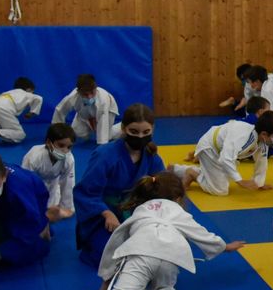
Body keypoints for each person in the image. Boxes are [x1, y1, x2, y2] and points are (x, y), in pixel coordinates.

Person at [93, 172, 245, 290]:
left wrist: (106, 279)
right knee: (165, 286)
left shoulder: (140, 211)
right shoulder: (177, 210)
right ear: (178, 198)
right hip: (171, 255)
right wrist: (223, 246)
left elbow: (116, 242)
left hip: (141, 251)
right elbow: (200, 233)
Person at [73, 104, 165, 270]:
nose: (140, 137)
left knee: (158, 248)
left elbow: (162, 188)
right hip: (103, 213)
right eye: (134, 132)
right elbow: (86, 192)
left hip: (135, 210)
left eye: (146, 132)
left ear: (153, 129)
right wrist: (107, 213)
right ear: (123, 128)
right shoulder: (105, 154)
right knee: (108, 256)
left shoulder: (152, 156)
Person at [173, 110, 273, 197]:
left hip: (222, 151)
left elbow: (262, 161)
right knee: (220, 190)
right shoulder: (245, 138)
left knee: (223, 176)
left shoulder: (262, 141)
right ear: (264, 134)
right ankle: (191, 173)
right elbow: (225, 159)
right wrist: (239, 180)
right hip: (210, 148)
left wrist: (258, 183)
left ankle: (178, 169)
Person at [21, 123, 76, 225]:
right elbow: (24, 182)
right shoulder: (34, 156)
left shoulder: (69, 159)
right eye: (61, 145)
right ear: (48, 142)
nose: (65, 150)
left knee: (52, 208)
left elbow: (67, 182)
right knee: (28, 211)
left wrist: (67, 208)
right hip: (33, 185)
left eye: (69, 147)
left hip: (53, 184)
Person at [48, 73, 120, 145]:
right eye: (85, 94)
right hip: (85, 113)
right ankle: (89, 129)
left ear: (95, 88)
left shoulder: (103, 99)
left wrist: (102, 144)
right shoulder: (73, 97)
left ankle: (121, 127)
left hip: (108, 111)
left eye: (92, 93)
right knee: (77, 132)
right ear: (78, 91)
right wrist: (56, 132)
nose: (89, 97)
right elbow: (60, 110)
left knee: (107, 135)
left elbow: (103, 121)